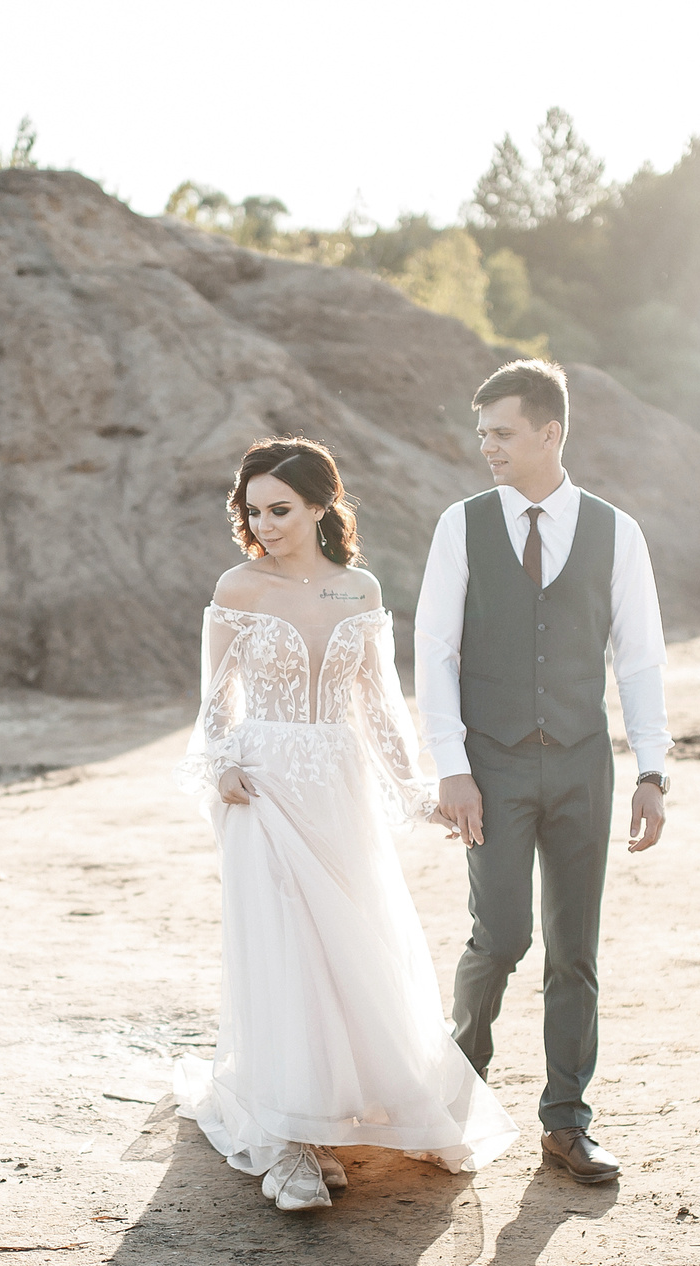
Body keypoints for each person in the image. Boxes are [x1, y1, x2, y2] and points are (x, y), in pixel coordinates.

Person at [174, 437, 518, 1212]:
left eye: (281, 508)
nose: (264, 524)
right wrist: (222, 762)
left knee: (352, 945)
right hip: (261, 785)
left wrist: (416, 788)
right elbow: (214, 702)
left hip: (340, 786)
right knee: (282, 950)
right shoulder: (239, 586)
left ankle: (338, 1116)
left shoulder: (357, 590)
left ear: (322, 506)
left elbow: (380, 707)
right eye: (253, 510)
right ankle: (293, 1139)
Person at [414, 359, 671, 1187]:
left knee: (574, 949)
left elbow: (639, 659)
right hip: (488, 768)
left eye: (501, 432)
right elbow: (435, 652)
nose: (486, 446)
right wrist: (451, 767)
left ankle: (566, 1121)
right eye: (482, 432)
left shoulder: (615, 531)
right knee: (502, 936)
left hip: (582, 766)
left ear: (549, 432)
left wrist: (652, 770)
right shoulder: (461, 525)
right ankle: (459, 1087)